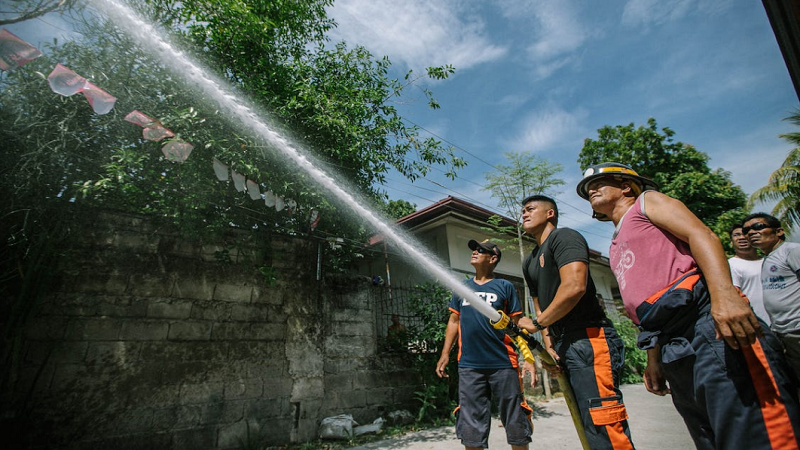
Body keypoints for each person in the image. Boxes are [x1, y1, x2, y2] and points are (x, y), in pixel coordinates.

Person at [577, 162, 800, 450]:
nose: (591, 189)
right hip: (672, 343)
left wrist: (725, 297)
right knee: (707, 434)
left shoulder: (648, 202)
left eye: (601, 182)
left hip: (707, 325)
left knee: (753, 431)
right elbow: (647, 305)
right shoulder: (616, 242)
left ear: (626, 186)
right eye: (587, 189)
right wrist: (653, 358)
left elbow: (701, 235)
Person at [515, 195, 635, 450]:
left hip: (589, 338)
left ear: (550, 214)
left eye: (530, 209)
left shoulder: (564, 237)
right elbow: (540, 304)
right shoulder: (530, 261)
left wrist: (537, 323)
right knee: (587, 424)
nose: (524, 214)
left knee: (604, 421)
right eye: (522, 210)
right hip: (563, 343)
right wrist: (550, 348)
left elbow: (574, 286)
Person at [435, 239, 532, 450]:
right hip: (469, 365)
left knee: (515, 420)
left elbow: (516, 325)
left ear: (493, 258)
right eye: (474, 249)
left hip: (503, 363)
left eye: (481, 250)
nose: (475, 252)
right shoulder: (463, 287)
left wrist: (529, 357)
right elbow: (453, 321)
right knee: (471, 427)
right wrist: (445, 354)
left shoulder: (505, 286)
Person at [743, 212, 800, 377]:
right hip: (783, 331)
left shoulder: (791, 251)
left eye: (758, 227)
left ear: (779, 232)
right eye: (747, 231)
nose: (751, 233)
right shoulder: (768, 258)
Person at [728, 223, 770, 325]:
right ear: (731, 242)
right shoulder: (729, 265)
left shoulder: (769, 261)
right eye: (736, 235)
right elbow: (733, 298)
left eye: (745, 234)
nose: (741, 237)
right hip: (756, 324)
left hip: (783, 323)